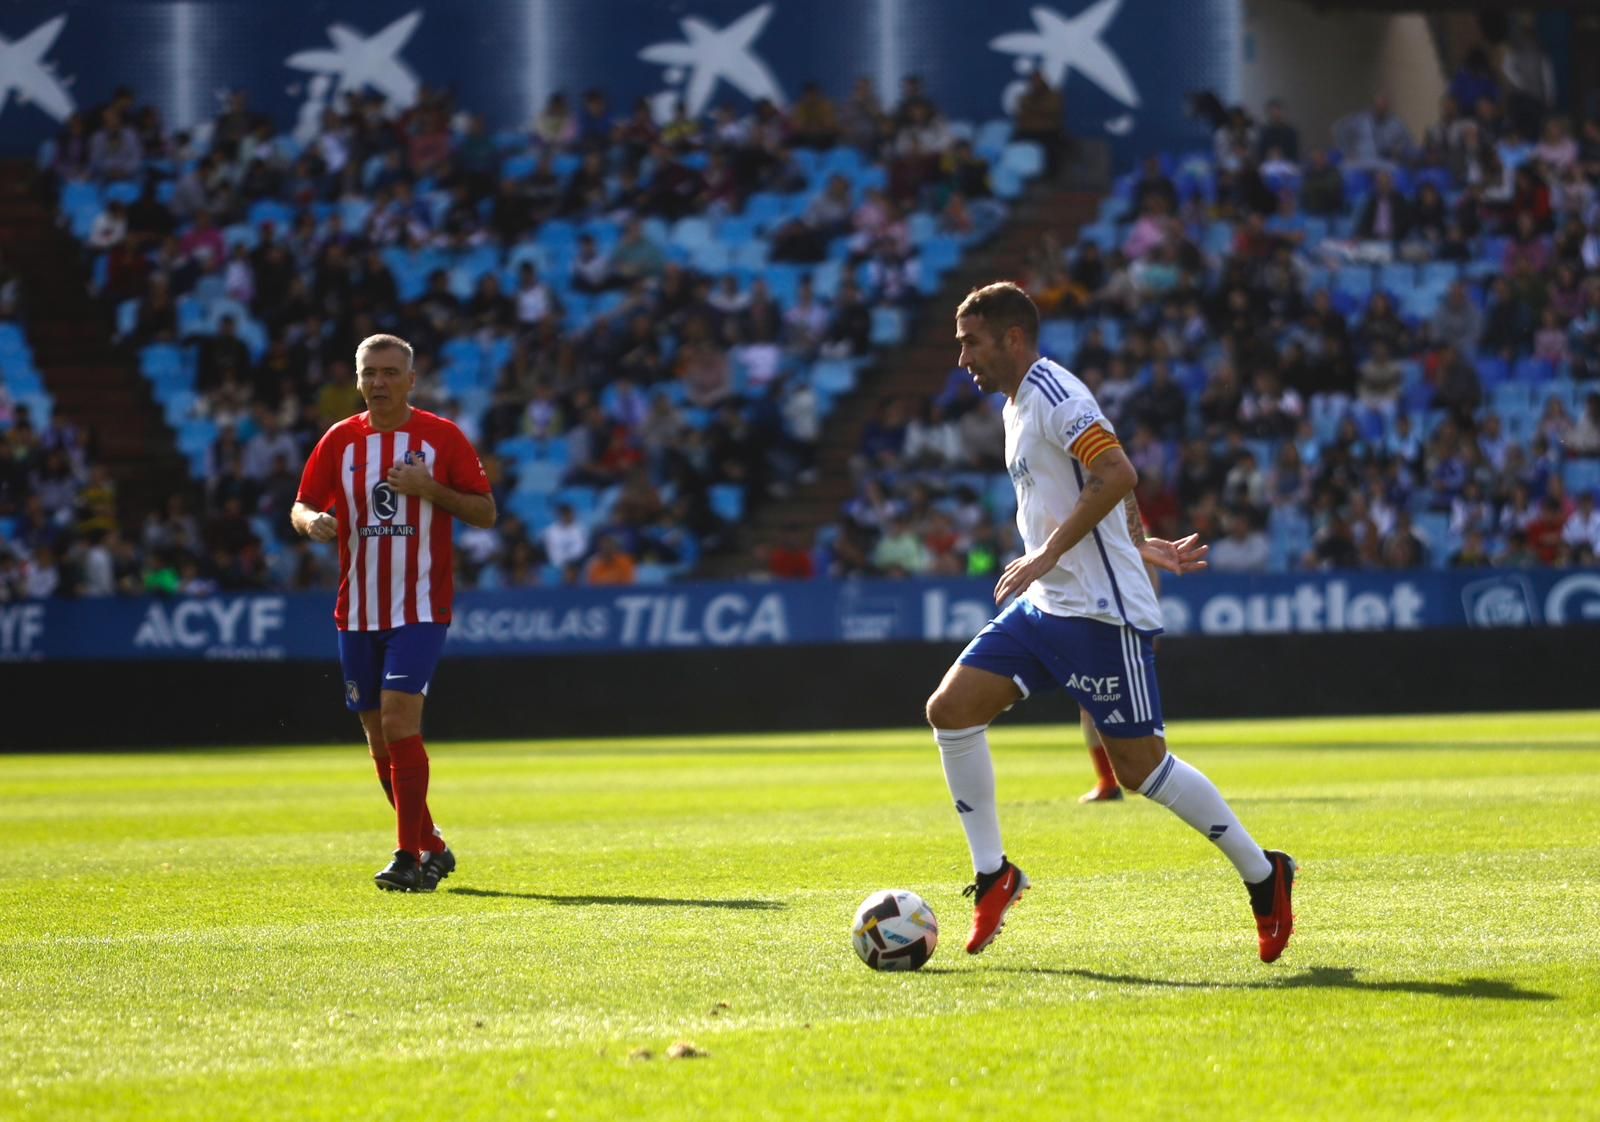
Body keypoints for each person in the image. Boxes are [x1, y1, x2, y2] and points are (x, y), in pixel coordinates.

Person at [927, 283, 1296, 962]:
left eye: (970, 341)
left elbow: (1116, 469)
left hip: (1102, 612)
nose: (961, 358)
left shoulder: (1055, 391)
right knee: (950, 709)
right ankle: (993, 875)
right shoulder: (1016, 405)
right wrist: (1142, 542)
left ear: (1012, 337)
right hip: (1049, 606)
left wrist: (1048, 554)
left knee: (1142, 770)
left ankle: (1265, 874)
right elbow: (1101, 480)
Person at [290, 334, 497, 893]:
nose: (378, 382)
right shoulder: (340, 441)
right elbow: (302, 503)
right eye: (368, 373)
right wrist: (312, 523)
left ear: (411, 380)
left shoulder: (441, 437)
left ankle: (408, 856)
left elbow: (484, 511)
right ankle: (433, 845)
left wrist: (431, 489)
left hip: (420, 608)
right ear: (357, 380)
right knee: (380, 741)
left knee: (401, 722)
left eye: (389, 372)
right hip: (356, 611)